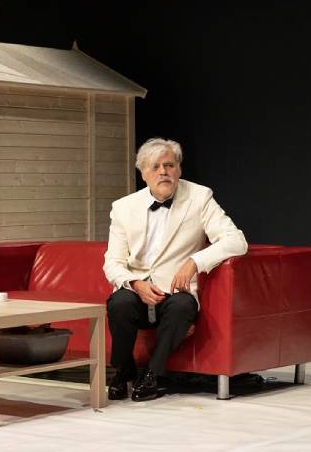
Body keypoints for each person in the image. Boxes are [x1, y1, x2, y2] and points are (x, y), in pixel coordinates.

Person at [103, 137, 247, 401]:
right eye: (155, 166)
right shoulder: (123, 207)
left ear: (179, 169)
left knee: (182, 306)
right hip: (137, 289)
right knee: (119, 303)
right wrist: (135, 283)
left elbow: (236, 241)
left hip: (176, 291)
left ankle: (152, 374)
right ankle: (123, 371)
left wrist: (195, 262)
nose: (163, 172)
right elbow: (112, 262)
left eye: (169, 165)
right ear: (143, 173)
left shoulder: (200, 197)